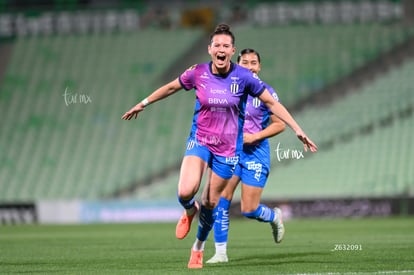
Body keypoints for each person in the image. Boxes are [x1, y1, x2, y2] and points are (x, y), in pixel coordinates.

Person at [121, 23, 317, 269]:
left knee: (216, 204)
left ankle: (198, 247)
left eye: (226, 45)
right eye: (217, 45)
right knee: (186, 191)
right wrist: (144, 103)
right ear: (210, 49)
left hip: (229, 149)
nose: (221, 49)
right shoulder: (198, 72)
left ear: (232, 50)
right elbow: (172, 86)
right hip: (201, 140)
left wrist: (297, 129)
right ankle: (192, 214)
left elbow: (273, 105)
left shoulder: (244, 79)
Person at [206, 48, 286, 264]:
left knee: (249, 210)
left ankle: (274, 217)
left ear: (259, 67)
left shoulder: (267, 93)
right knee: (221, 199)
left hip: (255, 154)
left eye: (253, 62)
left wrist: (255, 136)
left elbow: (280, 124)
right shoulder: (229, 90)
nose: (249, 66)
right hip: (230, 152)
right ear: (238, 64)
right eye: (245, 62)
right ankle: (220, 253)